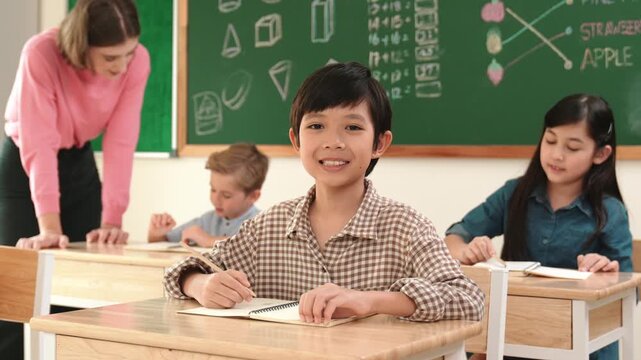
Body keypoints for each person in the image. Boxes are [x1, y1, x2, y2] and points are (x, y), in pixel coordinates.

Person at [164, 62, 484, 324]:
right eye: (317, 126)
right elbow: (178, 274)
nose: (333, 141)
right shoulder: (269, 227)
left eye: (353, 127)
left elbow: (468, 299)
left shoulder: (406, 227)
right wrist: (201, 285)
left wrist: (370, 301)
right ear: (296, 140)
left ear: (380, 144)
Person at [0, 0, 149, 357]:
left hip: (78, 157)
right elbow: (38, 143)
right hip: (24, 163)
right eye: (111, 58)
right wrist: (49, 227)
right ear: (82, 47)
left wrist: (112, 219)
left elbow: (121, 141)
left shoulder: (137, 61)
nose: (123, 65)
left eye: (128, 53)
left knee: (78, 286)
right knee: (18, 289)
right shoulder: (41, 53)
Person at [444, 94, 631, 360]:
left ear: (601, 154)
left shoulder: (610, 212)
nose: (556, 154)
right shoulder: (514, 193)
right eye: (550, 140)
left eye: (573, 147)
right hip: (515, 336)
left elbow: (628, 293)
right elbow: (454, 237)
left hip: (583, 346)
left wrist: (605, 273)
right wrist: (466, 252)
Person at [148, 143, 268, 248]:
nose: (216, 199)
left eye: (226, 195)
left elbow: (253, 246)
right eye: (213, 190)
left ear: (253, 196)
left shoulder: (262, 224)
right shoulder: (207, 220)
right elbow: (163, 243)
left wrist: (209, 240)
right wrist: (156, 234)